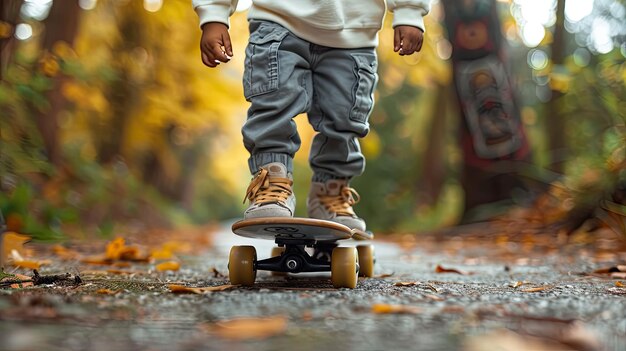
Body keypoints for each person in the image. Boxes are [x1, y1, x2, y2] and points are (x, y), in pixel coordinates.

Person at [192, 0, 430, 234]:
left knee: (346, 120)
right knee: (273, 107)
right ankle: (271, 183)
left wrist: (410, 10)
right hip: (277, 17)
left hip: (354, 31)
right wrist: (214, 13)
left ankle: (330, 191)